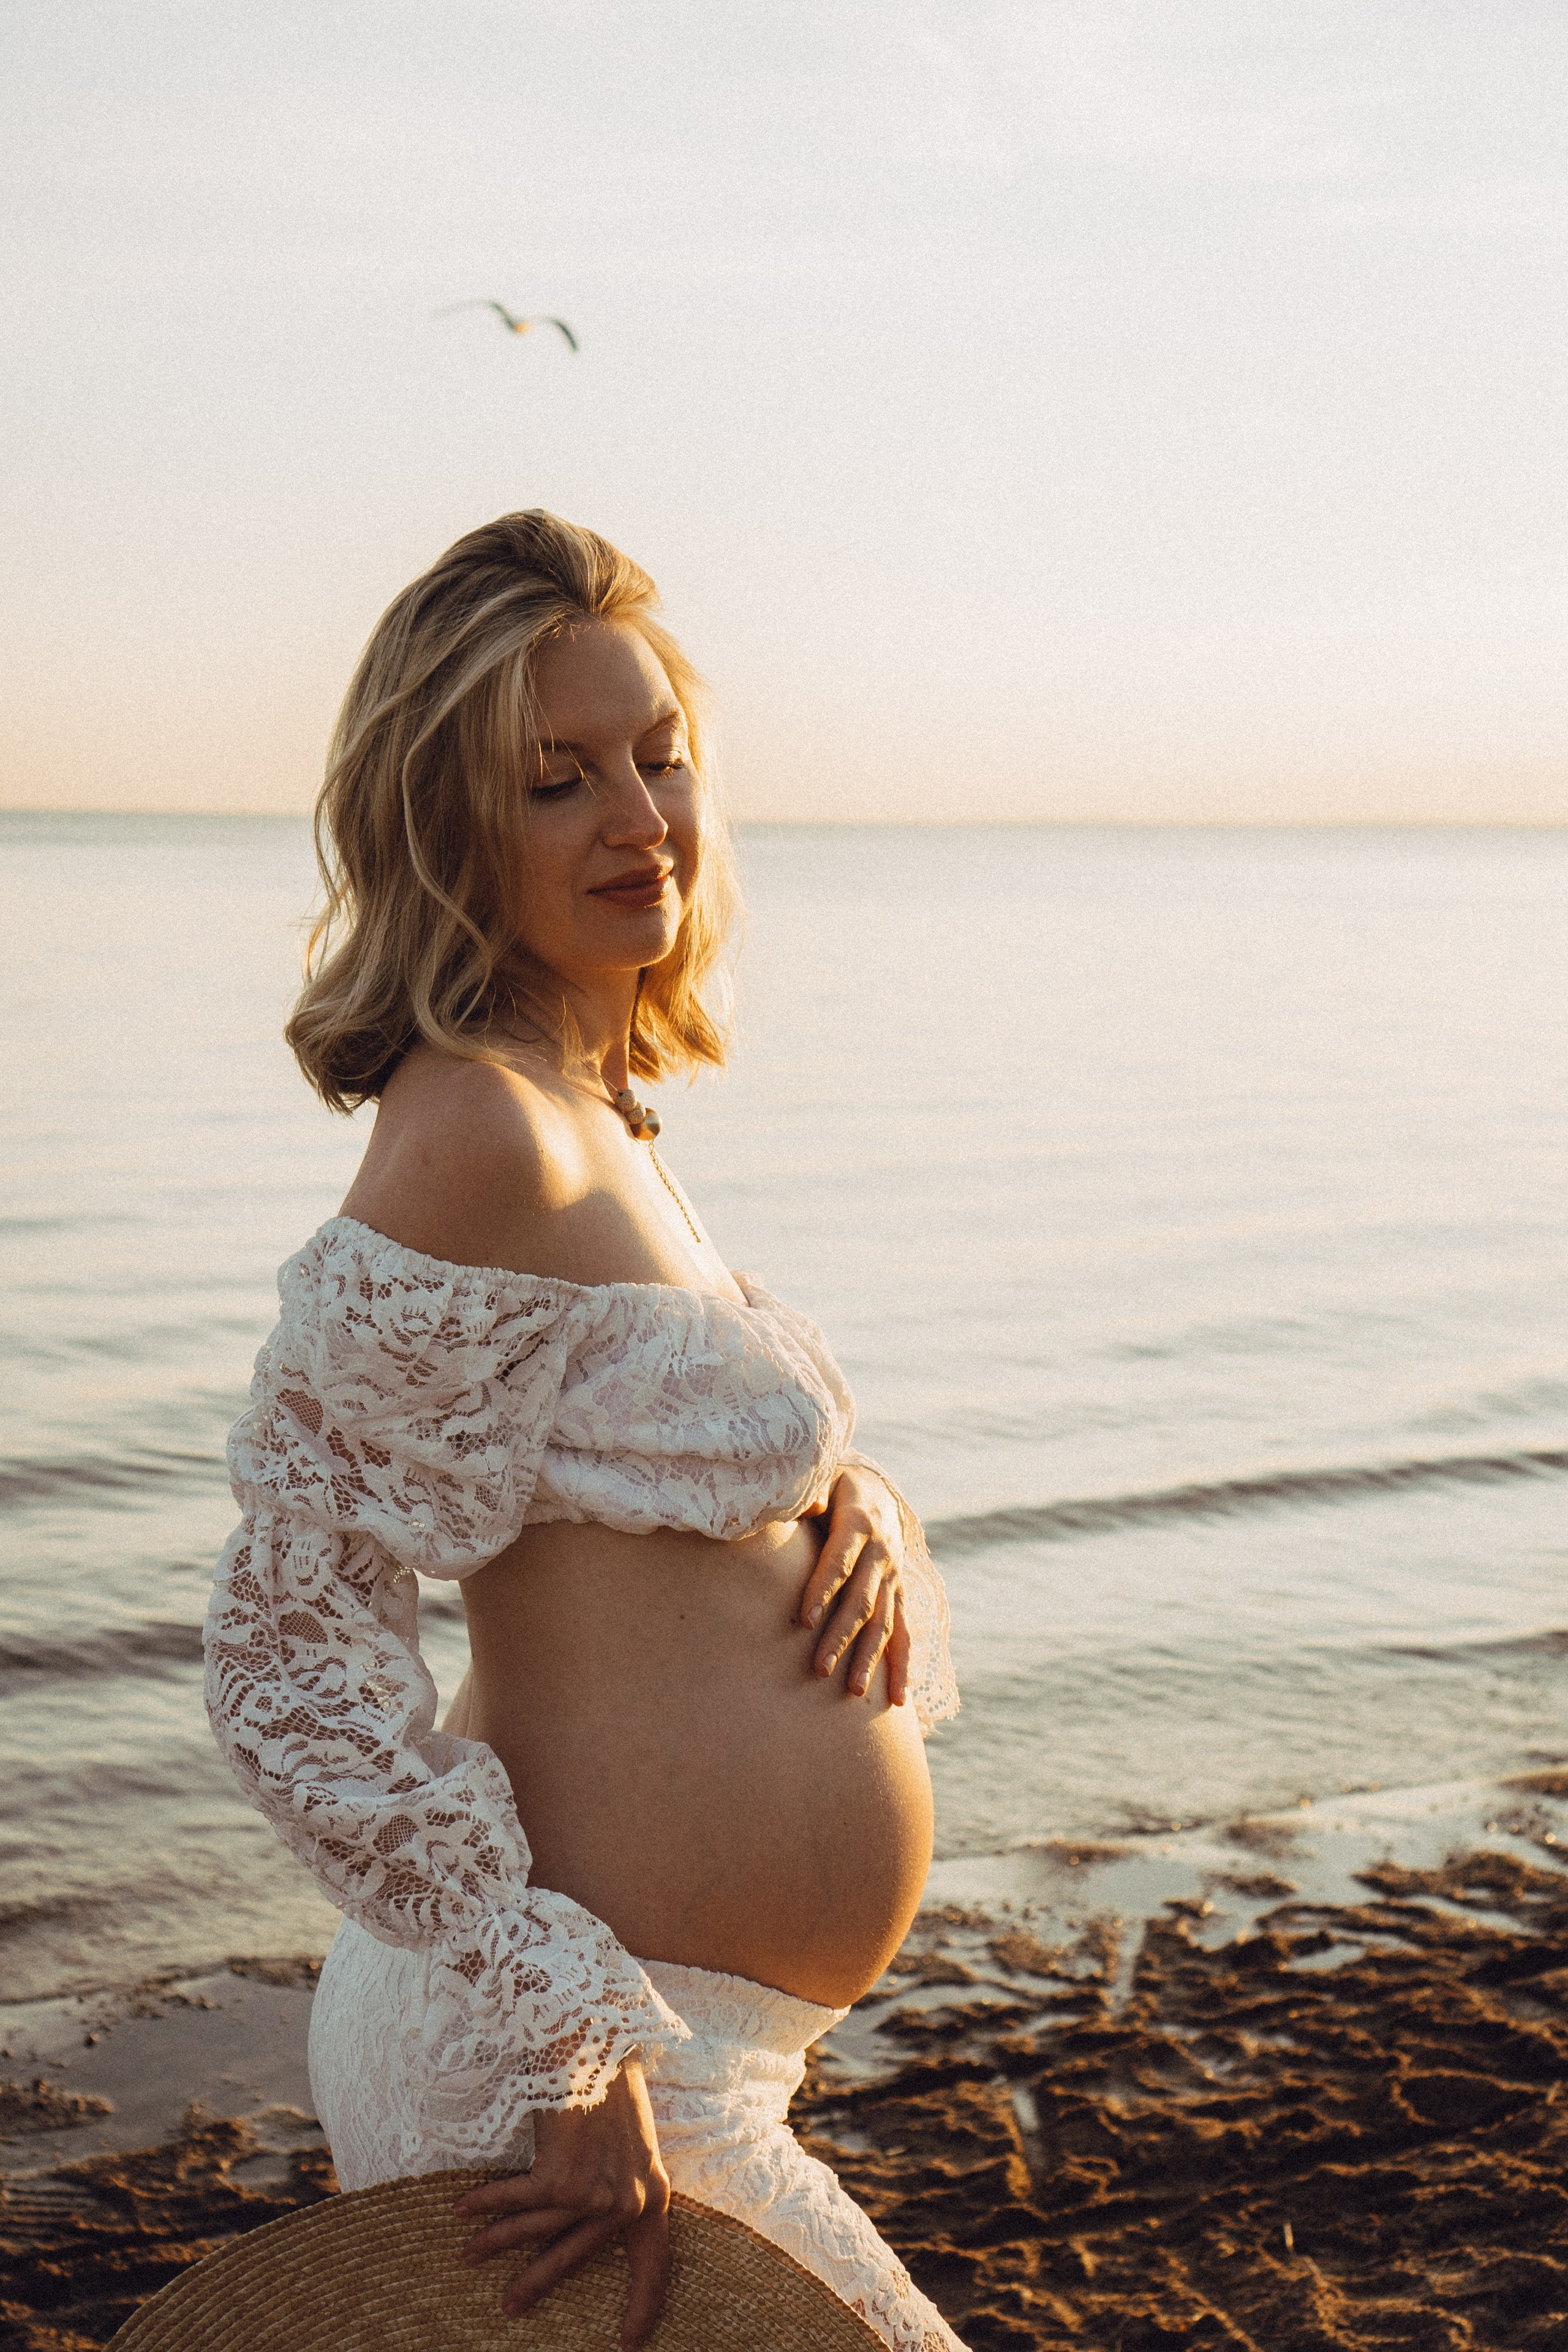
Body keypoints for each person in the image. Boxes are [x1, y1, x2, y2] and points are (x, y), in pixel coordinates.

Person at [203, 511, 963, 2352]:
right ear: (452, 829)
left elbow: (619, 1478)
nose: (642, 816)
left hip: (681, 2052)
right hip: (582, 2067)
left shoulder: (594, 1109)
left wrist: (844, 1502)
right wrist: (566, 2034)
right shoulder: (477, 1128)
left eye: (660, 755)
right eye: (560, 781)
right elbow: (287, 1658)